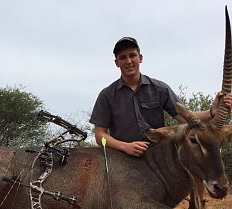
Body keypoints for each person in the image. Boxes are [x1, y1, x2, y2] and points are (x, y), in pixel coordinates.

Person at [90, 37, 232, 157]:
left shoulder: (160, 89)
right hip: (123, 157)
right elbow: (99, 135)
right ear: (117, 63)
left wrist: (212, 112)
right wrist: (125, 147)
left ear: (140, 58)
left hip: (159, 158)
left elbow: (185, 118)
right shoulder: (107, 95)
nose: (128, 61)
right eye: (122, 57)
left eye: (132, 55)